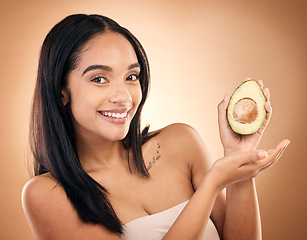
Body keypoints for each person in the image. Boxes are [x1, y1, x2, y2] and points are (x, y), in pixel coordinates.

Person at [21, 14, 290, 240]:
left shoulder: (181, 141)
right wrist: (212, 184)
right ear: (61, 92)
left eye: (131, 76)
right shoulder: (46, 194)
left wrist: (238, 162)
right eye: (100, 78)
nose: (124, 97)